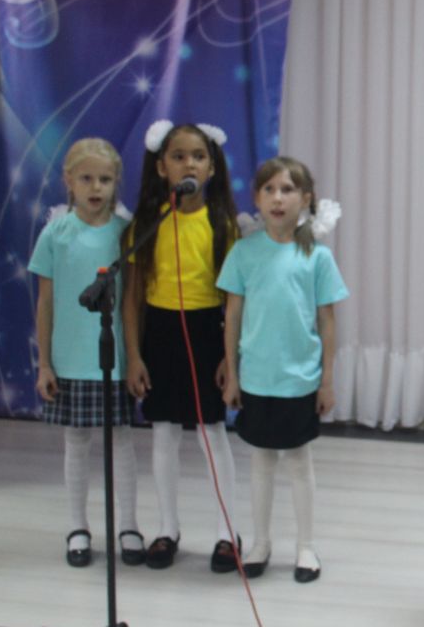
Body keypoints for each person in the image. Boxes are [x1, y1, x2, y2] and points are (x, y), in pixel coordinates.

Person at [219, 156, 346, 582]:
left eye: (288, 190)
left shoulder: (317, 257)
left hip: (299, 379)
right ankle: (260, 543)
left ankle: (306, 546)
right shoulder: (244, 252)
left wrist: (326, 380)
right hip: (256, 377)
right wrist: (233, 373)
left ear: (305, 199)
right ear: (257, 199)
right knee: (261, 461)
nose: (278, 198)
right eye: (269, 189)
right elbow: (233, 316)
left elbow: (327, 321)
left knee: (297, 461)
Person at [122, 120, 241, 572]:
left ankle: (227, 533)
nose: (188, 163)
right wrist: (135, 355)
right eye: (178, 156)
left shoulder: (222, 225)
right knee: (165, 432)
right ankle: (167, 529)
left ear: (212, 167)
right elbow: (132, 298)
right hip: (161, 332)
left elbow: (234, 300)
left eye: (198, 156)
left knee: (212, 432)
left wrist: (230, 357)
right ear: (161, 167)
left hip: (207, 330)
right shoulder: (147, 225)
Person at [30, 138, 145, 568]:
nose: (96, 187)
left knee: (122, 441)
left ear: (116, 183)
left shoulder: (124, 232)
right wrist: (45, 362)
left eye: (105, 179)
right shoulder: (55, 233)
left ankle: (128, 525)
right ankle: (77, 526)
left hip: (112, 359)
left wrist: (133, 357)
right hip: (70, 358)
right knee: (76, 442)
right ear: (69, 181)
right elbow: (46, 301)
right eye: (86, 179)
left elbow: (131, 301)